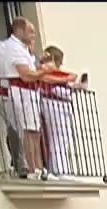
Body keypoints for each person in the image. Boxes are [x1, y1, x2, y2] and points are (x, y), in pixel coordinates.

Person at [0, 17, 45, 177]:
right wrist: (46, 71)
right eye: (30, 31)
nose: (34, 35)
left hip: (29, 95)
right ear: (19, 31)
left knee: (34, 132)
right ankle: (31, 169)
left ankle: (38, 169)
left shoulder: (22, 48)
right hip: (20, 95)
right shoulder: (13, 48)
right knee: (26, 132)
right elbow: (26, 75)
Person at [36, 45, 86, 178]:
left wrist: (76, 87)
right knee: (58, 140)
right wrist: (70, 89)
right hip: (54, 106)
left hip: (60, 107)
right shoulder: (46, 73)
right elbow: (55, 89)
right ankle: (59, 170)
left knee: (64, 140)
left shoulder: (54, 75)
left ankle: (61, 169)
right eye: (59, 61)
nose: (61, 64)